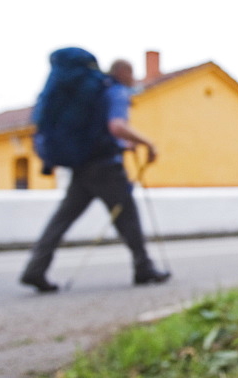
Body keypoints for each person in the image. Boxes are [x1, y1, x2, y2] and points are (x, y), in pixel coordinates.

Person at [20, 58, 170, 292]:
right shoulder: (116, 92)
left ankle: (35, 268)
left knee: (61, 220)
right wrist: (147, 143)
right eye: (132, 74)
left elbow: (101, 133)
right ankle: (143, 267)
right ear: (123, 72)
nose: (134, 79)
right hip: (106, 169)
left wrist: (123, 146)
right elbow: (116, 126)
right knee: (128, 216)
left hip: (83, 167)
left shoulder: (94, 93)